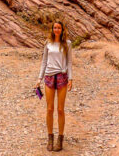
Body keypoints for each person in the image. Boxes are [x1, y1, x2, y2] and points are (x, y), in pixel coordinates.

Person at [34, 20, 73, 151]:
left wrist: (71, 79)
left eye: (59, 28)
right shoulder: (48, 43)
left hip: (62, 77)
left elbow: (69, 62)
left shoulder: (67, 44)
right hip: (49, 77)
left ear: (62, 30)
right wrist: (39, 78)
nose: (56, 30)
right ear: (52, 29)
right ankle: (50, 137)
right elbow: (44, 62)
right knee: (49, 109)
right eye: (54, 28)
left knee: (60, 110)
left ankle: (60, 139)